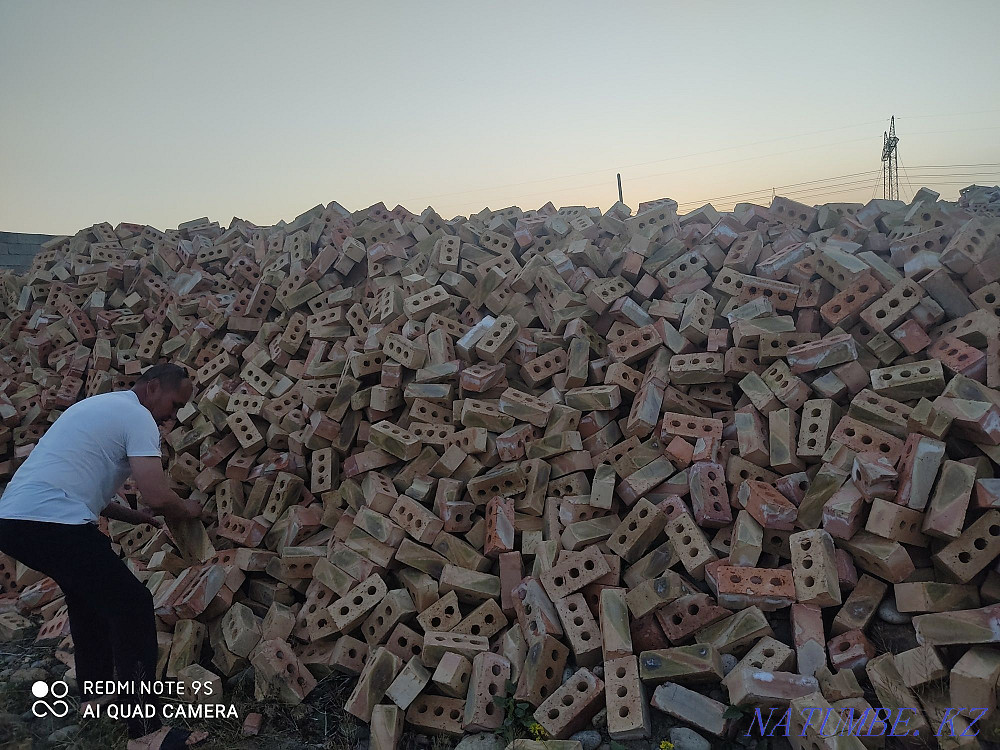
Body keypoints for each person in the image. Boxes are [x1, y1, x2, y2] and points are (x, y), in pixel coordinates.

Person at [0, 363, 209, 749]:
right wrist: (188, 510)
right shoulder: (138, 416)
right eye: (174, 404)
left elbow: (82, 488)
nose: (173, 416)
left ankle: (94, 701)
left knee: (88, 601)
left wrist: (135, 517)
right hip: (52, 520)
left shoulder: (100, 407)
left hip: (16, 520)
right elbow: (158, 495)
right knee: (132, 604)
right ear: (152, 388)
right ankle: (145, 732)